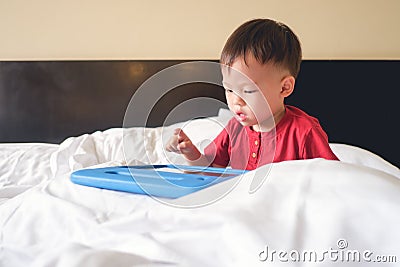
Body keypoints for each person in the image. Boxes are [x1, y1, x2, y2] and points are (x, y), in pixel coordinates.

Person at [166, 18, 339, 170]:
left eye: (248, 90)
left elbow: (331, 177)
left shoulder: (303, 132)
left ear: (284, 88)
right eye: (229, 90)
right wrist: (189, 152)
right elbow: (209, 170)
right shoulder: (234, 129)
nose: (236, 101)